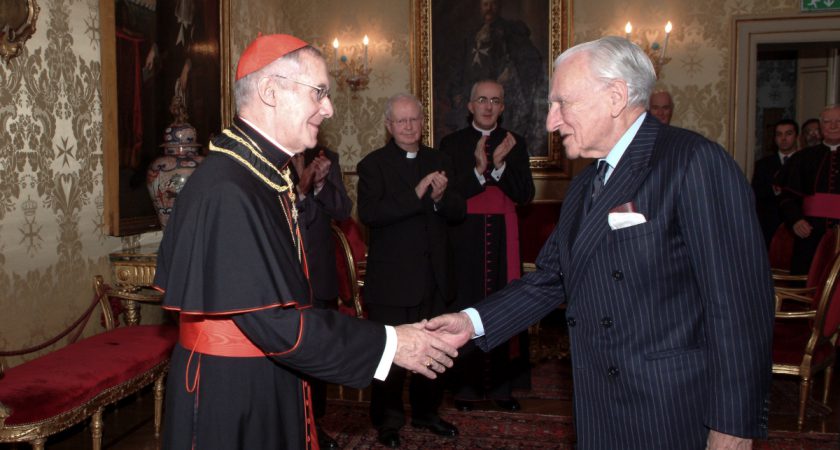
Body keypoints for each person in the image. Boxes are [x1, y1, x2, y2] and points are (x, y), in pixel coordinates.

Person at [426, 36, 774, 450]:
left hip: (673, 410)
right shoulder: (586, 183)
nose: (550, 122)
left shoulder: (693, 162)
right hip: (600, 404)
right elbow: (551, 278)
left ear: (615, 96)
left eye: (561, 104)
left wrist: (732, 429)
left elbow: (740, 307)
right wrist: (471, 322)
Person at [154, 34, 458, 450]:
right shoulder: (228, 188)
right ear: (270, 91)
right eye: (319, 92)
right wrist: (390, 343)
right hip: (233, 392)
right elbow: (275, 325)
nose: (328, 108)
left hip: (265, 376)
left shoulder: (258, 174)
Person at [357, 93, 466, 448]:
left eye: (414, 120)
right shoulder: (373, 165)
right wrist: (417, 192)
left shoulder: (440, 159)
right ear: (389, 126)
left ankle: (427, 412)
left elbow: (458, 211)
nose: (408, 127)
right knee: (390, 355)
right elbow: (370, 215)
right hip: (392, 281)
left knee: (436, 349)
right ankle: (388, 420)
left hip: (434, 276)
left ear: (423, 122)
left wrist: (439, 199)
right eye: (401, 121)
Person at [439, 79, 534, 412]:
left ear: (503, 106)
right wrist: (480, 169)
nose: (488, 106)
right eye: (482, 99)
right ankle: (465, 388)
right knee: (468, 303)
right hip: (465, 236)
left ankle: (502, 388)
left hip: (505, 236)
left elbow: (525, 194)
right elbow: (447, 198)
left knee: (504, 304)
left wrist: (502, 164)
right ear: (470, 105)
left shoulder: (515, 143)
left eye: (495, 101)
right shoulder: (451, 144)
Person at [288, 144, 353, 449]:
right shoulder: (271, 155)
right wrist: (302, 191)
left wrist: (321, 183)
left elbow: (342, 210)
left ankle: (315, 426)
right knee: (291, 359)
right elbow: (289, 221)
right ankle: (292, 425)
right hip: (286, 276)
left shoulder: (327, 157)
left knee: (318, 358)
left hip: (321, 277)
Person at [443, 0, 546, 156]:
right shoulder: (471, 35)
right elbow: (457, 68)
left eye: (493, 4)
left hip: (508, 96)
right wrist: (457, 94)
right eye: (485, 5)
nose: (489, 9)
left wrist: (511, 72)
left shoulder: (512, 31)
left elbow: (529, 61)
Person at [777, 104, 840, 275]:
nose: (833, 126)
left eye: (838, 121)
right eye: (828, 122)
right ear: (821, 126)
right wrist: (795, 220)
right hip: (810, 235)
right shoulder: (803, 157)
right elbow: (787, 196)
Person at [752, 119, 798, 247]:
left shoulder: (806, 161)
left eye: (788, 134)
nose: (783, 138)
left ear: (796, 136)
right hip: (770, 225)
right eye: (779, 134)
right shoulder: (763, 164)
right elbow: (756, 194)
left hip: (798, 224)